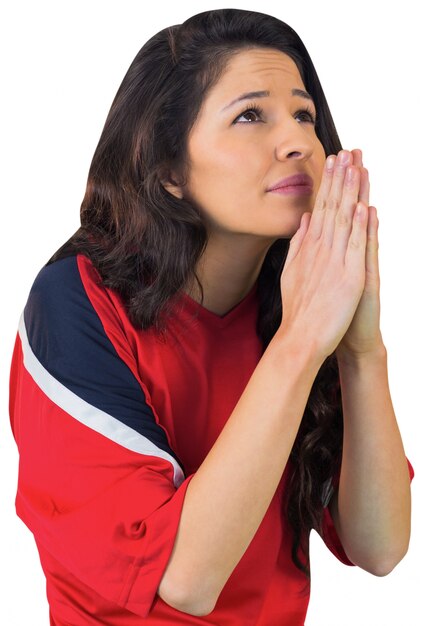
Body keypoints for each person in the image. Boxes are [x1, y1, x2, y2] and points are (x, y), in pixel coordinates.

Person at [9, 8, 414, 625]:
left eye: (304, 114)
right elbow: (184, 582)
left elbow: (380, 547)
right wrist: (303, 339)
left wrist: (361, 348)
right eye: (251, 115)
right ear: (169, 172)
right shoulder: (74, 307)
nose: (299, 141)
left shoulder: (298, 301)